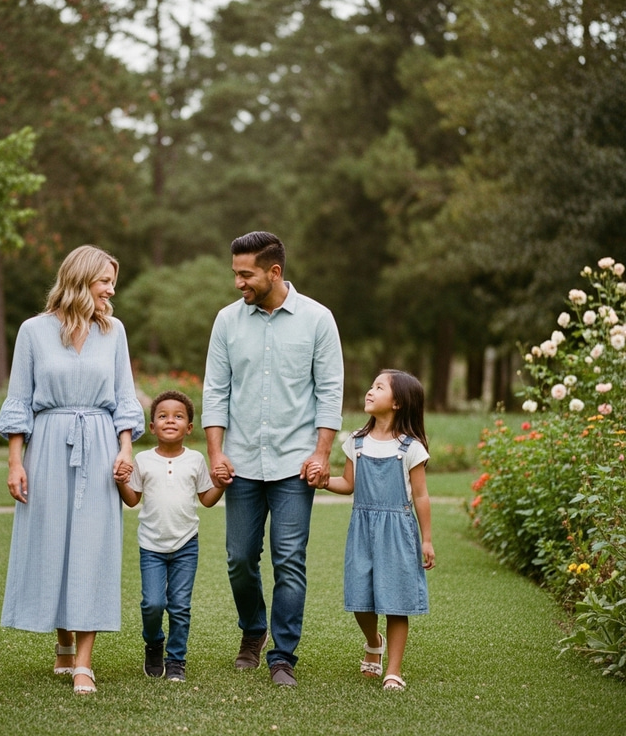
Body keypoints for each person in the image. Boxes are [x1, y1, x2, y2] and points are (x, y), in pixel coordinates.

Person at [0, 244, 145, 695]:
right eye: (105, 280)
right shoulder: (33, 332)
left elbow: (124, 396)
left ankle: (83, 663)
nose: (111, 289)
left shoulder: (113, 330)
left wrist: (126, 450)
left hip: (100, 444)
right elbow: (20, 399)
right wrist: (15, 462)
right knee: (50, 541)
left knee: (92, 548)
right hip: (47, 445)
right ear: (80, 279)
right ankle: (61, 641)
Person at [201, 231, 344, 687]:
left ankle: (282, 655)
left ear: (274, 272)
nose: (239, 282)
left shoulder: (318, 320)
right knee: (239, 558)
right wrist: (216, 453)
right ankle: (253, 630)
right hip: (240, 462)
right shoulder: (226, 321)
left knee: (289, 559)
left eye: (246, 274)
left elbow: (329, 392)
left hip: (295, 464)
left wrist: (322, 454)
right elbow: (215, 391)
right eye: (235, 273)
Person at [316, 369, 435, 691]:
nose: (370, 391)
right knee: (360, 598)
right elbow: (348, 484)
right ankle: (373, 641)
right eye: (371, 386)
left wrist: (426, 540)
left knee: (396, 601)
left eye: (379, 388)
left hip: (398, 529)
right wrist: (323, 481)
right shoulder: (355, 441)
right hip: (362, 527)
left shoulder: (411, 448)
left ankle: (393, 671)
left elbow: (421, 496)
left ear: (398, 403)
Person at [117, 390, 224, 683]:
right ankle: (154, 643)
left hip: (186, 544)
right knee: (152, 604)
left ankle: (176, 660)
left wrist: (222, 485)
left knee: (180, 605)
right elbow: (131, 499)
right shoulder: (143, 460)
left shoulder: (196, 460)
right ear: (152, 427)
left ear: (189, 427)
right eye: (162, 416)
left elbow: (207, 499)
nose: (170, 421)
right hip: (151, 545)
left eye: (178, 417)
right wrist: (120, 483)